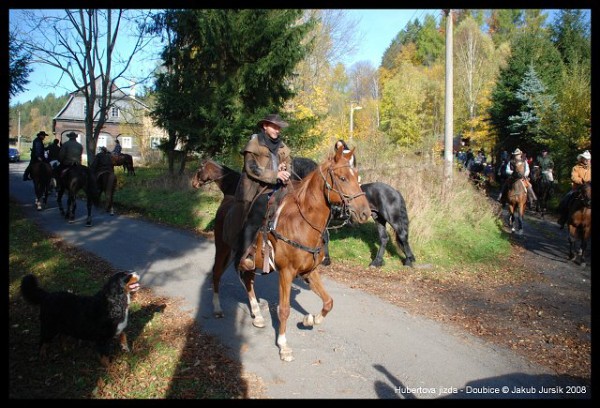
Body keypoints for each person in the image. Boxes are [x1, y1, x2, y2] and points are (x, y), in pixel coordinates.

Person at [230, 114, 292, 272]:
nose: (277, 130)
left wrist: (284, 169)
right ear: (265, 126)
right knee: (257, 213)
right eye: (274, 126)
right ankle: (246, 255)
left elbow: (288, 163)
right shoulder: (255, 142)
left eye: (279, 128)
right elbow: (252, 169)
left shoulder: (282, 146)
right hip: (256, 187)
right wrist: (274, 174)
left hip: (279, 186)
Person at [556, 150, 591, 229]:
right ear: (581, 159)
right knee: (566, 199)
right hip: (578, 188)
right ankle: (563, 218)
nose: (586, 160)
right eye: (585, 158)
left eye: (588, 159)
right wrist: (581, 181)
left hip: (589, 188)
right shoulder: (576, 167)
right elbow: (573, 177)